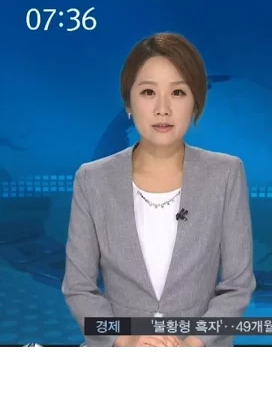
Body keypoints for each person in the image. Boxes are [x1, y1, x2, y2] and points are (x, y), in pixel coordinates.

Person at [62, 33, 256, 347]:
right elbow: (78, 287)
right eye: (148, 92)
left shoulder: (226, 173)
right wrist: (125, 340)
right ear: (129, 102)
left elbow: (238, 285)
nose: (162, 109)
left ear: (195, 102)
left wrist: (193, 342)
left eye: (178, 92)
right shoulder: (92, 179)